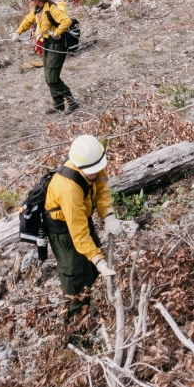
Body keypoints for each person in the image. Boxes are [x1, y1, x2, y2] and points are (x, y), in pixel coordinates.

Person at [44, 134, 117, 322]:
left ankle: (90, 305)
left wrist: (108, 214)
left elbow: (102, 190)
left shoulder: (94, 163)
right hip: (64, 230)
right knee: (75, 273)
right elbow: (78, 233)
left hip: (82, 216)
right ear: (79, 165)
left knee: (91, 266)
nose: (95, 173)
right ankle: (76, 322)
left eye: (97, 169)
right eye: (91, 172)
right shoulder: (68, 189)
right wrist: (99, 260)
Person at [15, 0, 79, 114]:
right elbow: (28, 20)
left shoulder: (51, 8)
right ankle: (59, 104)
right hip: (47, 44)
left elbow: (66, 20)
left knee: (52, 77)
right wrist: (17, 32)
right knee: (48, 75)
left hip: (58, 44)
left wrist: (56, 33)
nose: (29, 1)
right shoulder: (37, 10)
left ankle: (72, 102)